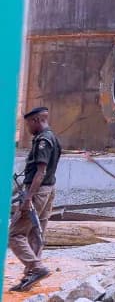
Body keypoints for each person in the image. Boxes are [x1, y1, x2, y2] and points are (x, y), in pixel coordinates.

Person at [9, 106, 61, 290]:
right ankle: (30, 276)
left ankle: (36, 268)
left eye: (28, 124)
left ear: (36, 120)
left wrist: (28, 198)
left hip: (37, 192)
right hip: (48, 190)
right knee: (35, 234)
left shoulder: (43, 140)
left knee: (15, 234)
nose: (27, 128)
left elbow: (41, 170)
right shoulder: (52, 137)